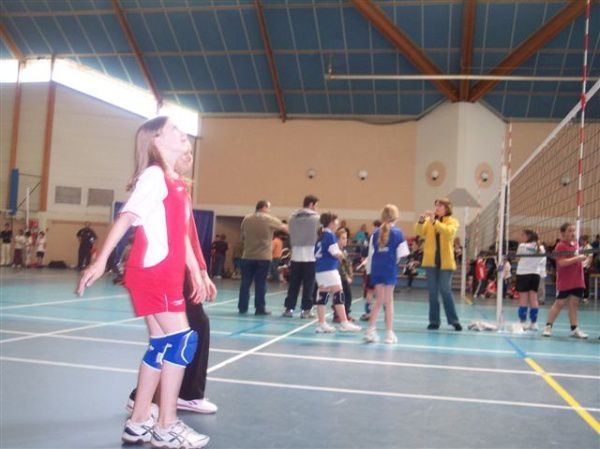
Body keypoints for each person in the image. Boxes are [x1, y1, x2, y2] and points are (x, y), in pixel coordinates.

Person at [76, 116, 212, 448]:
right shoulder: (153, 177)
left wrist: (195, 269)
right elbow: (127, 217)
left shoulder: (173, 180)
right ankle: (166, 425)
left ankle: (138, 421)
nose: (183, 134)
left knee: (161, 345)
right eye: (174, 130)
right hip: (154, 273)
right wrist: (101, 259)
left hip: (158, 272)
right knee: (182, 342)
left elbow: (179, 231)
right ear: (156, 140)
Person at [126, 147, 218, 417]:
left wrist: (201, 270)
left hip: (179, 268)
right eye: (185, 152)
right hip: (165, 269)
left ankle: (145, 402)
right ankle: (178, 399)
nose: (190, 155)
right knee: (185, 332)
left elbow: (188, 237)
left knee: (178, 334)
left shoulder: (180, 189)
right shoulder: (159, 182)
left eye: (192, 152)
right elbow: (140, 224)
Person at [364, 205, 410, 344]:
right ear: (396, 217)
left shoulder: (375, 233)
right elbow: (403, 254)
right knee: (388, 302)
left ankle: (370, 330)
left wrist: (369, 272)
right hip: (389, 269)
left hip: (376, 269)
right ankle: (389, 333)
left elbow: (370, 255)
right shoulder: (398, 233)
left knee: (378, 301)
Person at [415, 198, 462, 331]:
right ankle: (434, 321)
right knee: (432, 293)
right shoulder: (430, 222)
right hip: (431, 262)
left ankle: (454, 321)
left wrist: (435, 221)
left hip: (445, 263)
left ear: (446, 208)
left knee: (445, 291)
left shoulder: (452, 221)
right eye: (436, 205)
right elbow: (419, 232)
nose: (436, 208)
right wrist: (420, 221)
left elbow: (448, 233)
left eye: (440, 206)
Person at [313, 212, 361, 333]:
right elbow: (336, 253)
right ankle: (344, 322)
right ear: (331, 222)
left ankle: (322, 323)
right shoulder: (330, 236)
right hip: (329, 269)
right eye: (336, 221)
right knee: (339, 293)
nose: (337, 223)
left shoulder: (321, 235)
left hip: (320, 269)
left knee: (323, 296)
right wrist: (345, 259)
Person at [238, 200, 286, 315]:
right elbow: (284, 228)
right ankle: (259, 308)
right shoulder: (269, 219)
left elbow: (242, 236)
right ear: (264, 207)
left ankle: (242, 307)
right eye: (269, 208)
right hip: (263, 257)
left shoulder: (247, 219)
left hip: (248, 255)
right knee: (260, 284)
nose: (269, 211)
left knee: (245, 283)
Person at [542, 223, 588, 339]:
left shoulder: (576, 245)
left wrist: (583, 259)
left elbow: (578, 260)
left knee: (573, 304)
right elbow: (561, 263)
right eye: (569, 231)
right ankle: (548, 326)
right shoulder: (560, 246)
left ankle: (574, 329)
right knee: (559, 304)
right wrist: (577, 258)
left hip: (577, 279)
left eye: (573, 230)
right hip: (566, 280)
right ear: (563, 233)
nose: (572, 233)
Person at [282, 195, 320, 318]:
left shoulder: (292, 217)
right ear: (311, 204)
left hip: (296, 256)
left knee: (294, 284)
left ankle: (289, 308)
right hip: (310, 256)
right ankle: (306, 310)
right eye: (316, 205)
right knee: (309, 284)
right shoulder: (316, 218)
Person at [515, 230, 546, 331]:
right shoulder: (541, 247)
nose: (521, 237)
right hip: (535, 274)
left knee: (523, 298)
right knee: (534, 298)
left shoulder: (522, 246)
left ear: (528, 236)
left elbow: (518, 259)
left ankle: (522, 322)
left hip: (523, 273)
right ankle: (534, 323)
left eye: (523, 235)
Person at [358, 219, 381, 321]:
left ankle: (369, 313)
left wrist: (365, 258)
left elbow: (366, 251)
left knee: (370, 292)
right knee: (380, 292)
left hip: (371, 269)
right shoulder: (383, 236)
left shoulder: (373, 236)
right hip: (379, 268)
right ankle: (375, 313)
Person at [332, 228, 355, 323]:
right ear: (337, 239)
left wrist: (350, 275)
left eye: (346, 238)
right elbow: (340, 267)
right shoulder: (336, 252)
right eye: (343, 238)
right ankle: (338, 315)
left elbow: (347, 265)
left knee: (347, 296)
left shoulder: (344, 251)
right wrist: (347, 276)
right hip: (340, 278)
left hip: (344, 278)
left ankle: (344, 314)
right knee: (344, 296)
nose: (345, 240)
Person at [580, 235, 593, 303]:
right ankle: (580, 296)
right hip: (580, 267)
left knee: (586, 282)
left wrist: (588, 267)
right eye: (581, 241)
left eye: (583, 240)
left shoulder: (589, 247)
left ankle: (586, 297)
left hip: (586, 267)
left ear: (586, 240)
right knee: (580, 282)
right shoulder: (581, 248)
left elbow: (590, 258)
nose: (582, 242)